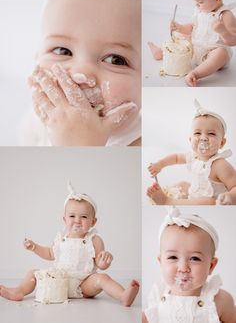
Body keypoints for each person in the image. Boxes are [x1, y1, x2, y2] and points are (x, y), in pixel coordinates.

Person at [21, 0, 141, 146]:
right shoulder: (37, 120)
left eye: (115, 59)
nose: (81, 72)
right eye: (62, 51)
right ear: (37, 56)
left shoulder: (139, 147)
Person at [0, 183, 139, 306]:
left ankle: (123, 296)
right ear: (64, 219)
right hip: (59, 282)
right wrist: (35, 247)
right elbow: (50, 254)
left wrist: (104, 262)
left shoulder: (94, 239)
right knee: (33, 273)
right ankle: (19, 291)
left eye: (84, 217)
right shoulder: (60, 238)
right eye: (72, 216)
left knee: (102, 278)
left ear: (93, 222)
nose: (77, 220)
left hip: (84, 284)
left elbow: (100, 264)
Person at [142, 206, 236, 323]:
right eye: (173, 257)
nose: (183, 268)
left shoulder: (221, 300)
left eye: (195, 258)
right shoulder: (157, 295)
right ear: (161, 262)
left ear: (211, 266)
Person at [148, 0, 236, 87]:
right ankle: (162, 51)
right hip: (195, 48)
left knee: (221, 53)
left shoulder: (225, 15)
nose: (196, 5)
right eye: (195, 1)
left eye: (200, 2)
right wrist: (179, 27)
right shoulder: (199, 11)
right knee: (179, 36)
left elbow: (233, 40)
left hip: (211, 53)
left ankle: (196, 73)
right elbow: (191, 28)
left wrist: (223, 31)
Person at [147, 99, 236, 205]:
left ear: (222, 142)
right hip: (196, 194)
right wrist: (160, 164)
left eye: (211, 134)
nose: (203, 138)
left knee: (209, 201)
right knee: (183, 185)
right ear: (190, 140)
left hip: (213, 200)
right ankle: (168, 194)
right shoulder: (193, 156)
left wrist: (230, 197)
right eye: (198, 133)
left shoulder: (220, 164)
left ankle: (167, 201)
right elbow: (176, 158)